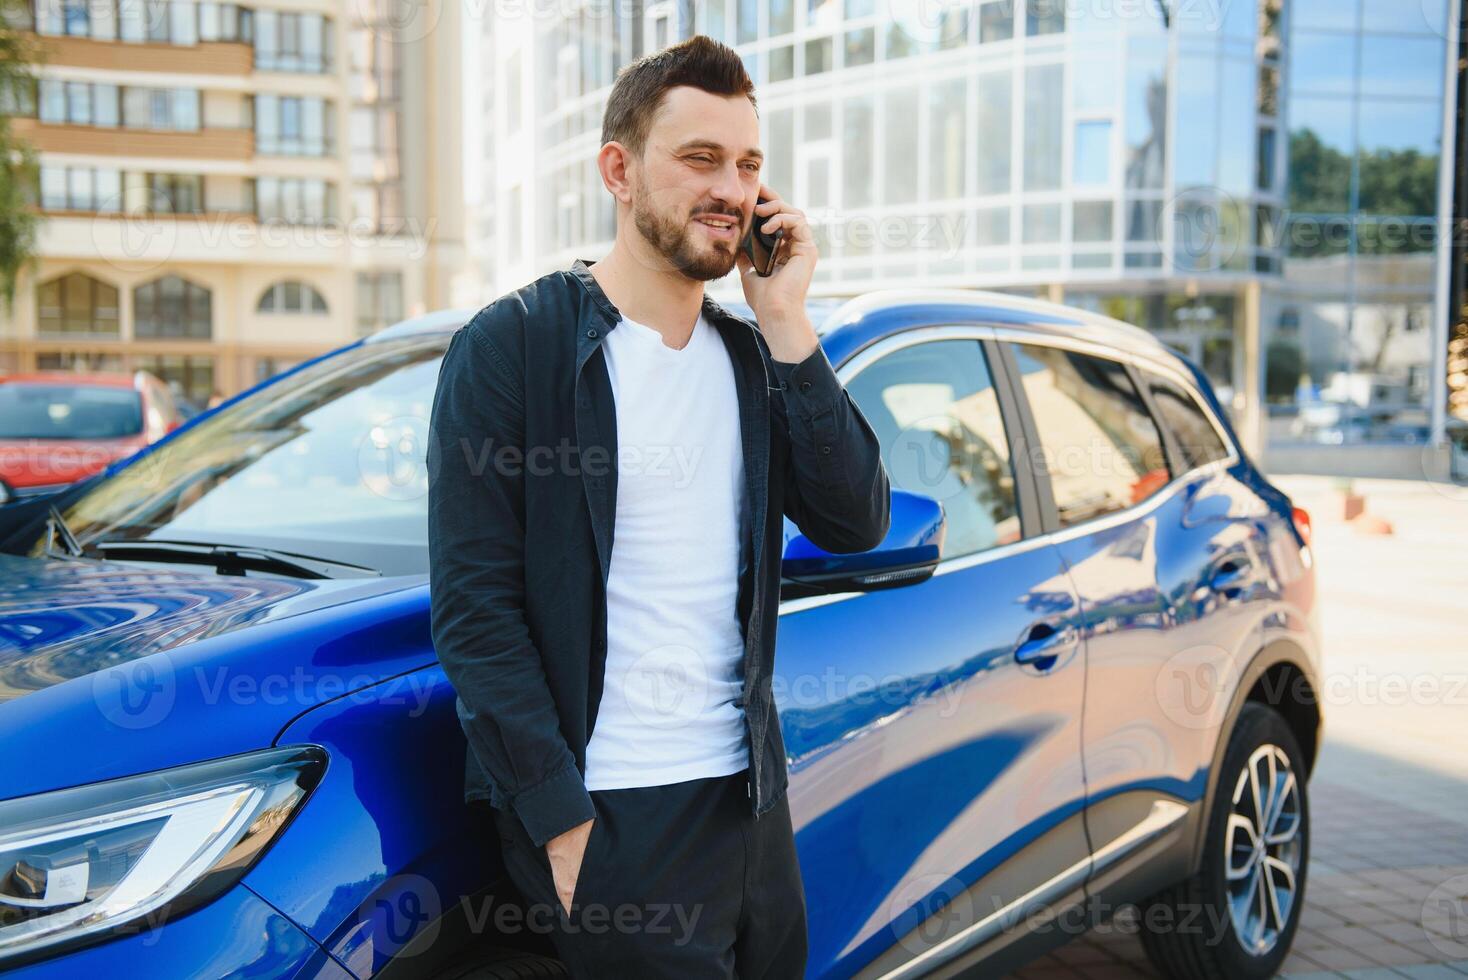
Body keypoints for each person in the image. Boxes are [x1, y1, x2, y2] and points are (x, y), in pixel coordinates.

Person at [427, 34, 889, 978]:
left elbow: (856, 520)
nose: (732, 188)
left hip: (752, 804)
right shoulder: (514, 349)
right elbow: (476, 612)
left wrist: (789, 320)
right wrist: (560, 822)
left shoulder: (755, 359)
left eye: (750, 164)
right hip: (617, 820)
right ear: (620, 170)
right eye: (701, 158)